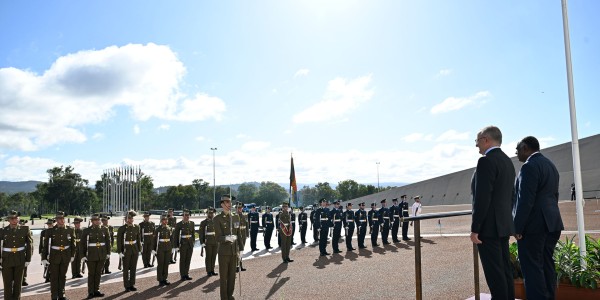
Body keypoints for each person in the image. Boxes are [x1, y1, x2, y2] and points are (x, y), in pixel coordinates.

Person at [513, 136, 564, 300]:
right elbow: (554, 196)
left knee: (532, 268)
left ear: (526, 147)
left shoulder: (529, 167)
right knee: (547, 264)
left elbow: (526, 200)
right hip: (552, 223)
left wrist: (517, 227)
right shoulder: (551, 165)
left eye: (518, 148)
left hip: (534, 227)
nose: (516, 152)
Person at [470, 125, 516, 300]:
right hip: (503, 225)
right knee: (504, 271)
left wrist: (475, 229)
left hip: (488, 229)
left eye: (477, 141)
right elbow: (510, 196)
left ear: (486, 139)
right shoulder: (507, 160)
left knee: (495, 275)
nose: (476, 145)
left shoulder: (486, 161)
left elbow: (482, 198)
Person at [213, 194, 243, 299]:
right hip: (224, 252)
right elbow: (217, 238)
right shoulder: (217, 219)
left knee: (232, 276)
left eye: (230, 202)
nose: (229, 204)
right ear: (222, 204)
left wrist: (241, 249)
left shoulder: (235, 216)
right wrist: (226, 238)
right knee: (224, 277)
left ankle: (230, 295)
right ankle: (224, 297)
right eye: (227, 202)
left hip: (234, 251)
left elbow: (239, 234)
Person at [42, 211, 76, 300]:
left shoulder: (70, 229)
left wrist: (72, 255)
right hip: (54, 256)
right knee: (54, 277)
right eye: (58, 219)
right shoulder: (50, 231)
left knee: (62, 276)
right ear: (56, 220)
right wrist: (44, 258)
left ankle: (62, 295)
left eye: (62, 218)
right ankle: (54, 296)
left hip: (65, 255)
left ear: (64, 219)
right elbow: (45, 246)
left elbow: (73, 244)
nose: (61, 220)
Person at [1, 210, 33, 300]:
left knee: (18, 283)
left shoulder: (25, 229)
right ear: (8, 220)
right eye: (12, 218)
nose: (14, 220)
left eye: (15, 218)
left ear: (18, 219)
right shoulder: (3, 231)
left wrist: (28, 259)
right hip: (6, 259)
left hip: (20, 258)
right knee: (7, 283)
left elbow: (29, 244)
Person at [81, 213, 111, 298]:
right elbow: (82, 244)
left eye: (98, 220)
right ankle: (91, 291)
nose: (97, 221)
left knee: (98, 273)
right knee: (92, 273)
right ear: (92, 221)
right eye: (95, 220)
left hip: (101, 254)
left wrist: (108, 253)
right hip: (91, 255)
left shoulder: (105, 229)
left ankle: (96, 290)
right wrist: (82, 255)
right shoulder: (86, 231)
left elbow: (108, 242)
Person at [117, 210, 142, 292]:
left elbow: (138, 239)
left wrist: (139, 249)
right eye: (129, 218)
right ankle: (127, 285)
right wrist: (120, 252)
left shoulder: (136, 227)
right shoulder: (122, 229)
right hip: (126, 250)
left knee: (133, 268)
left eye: (132, 218)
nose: (130, 220)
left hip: (134, 249)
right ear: (125, 219)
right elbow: (119, 241)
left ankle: (132, 284)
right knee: (126, 269)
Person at [173, 209, 195, 280]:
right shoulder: (179, 224)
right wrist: (176, 246)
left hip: (190, 244)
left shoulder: (191, 223)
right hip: (183, 244)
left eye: (188, 215)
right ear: (183, 216)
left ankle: (186, 274)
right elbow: (176, 236)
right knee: (183, 260)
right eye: (185, 215)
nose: (187, 217)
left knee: (188, 259)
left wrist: (193, 242)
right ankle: (182, 275)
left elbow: (193, 234)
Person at [153, 214, 173, 286]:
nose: (165, 221)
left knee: (166, 264)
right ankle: (160, 279)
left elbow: (171, 239)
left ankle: (165, 278)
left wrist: (172, 247)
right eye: (164, 220)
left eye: (166, 220)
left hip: (168, 247)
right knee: (161, 264)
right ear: (161, 221)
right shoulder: (158, 229)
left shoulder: (169, 228)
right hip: (160, 248)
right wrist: (153, 249)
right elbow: (155, 240)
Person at [199, 207, 218, 276]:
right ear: (207, 213)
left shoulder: (216, 221)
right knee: (209, 256)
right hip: (208, 241)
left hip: (215, 241)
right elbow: (201, 233)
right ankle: (208, 271)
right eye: (209, 213)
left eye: (212, 213)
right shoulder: (204, 222)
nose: (211, 214)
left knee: (214, 256)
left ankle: (212, 270)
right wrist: (202, 242)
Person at [40, 218, 55, 283]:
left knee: (53, 264)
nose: (49, 225)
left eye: (50, 224)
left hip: (53, 250)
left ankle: (51, 276)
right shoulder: (43, 232)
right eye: (48, 224)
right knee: (46, 264)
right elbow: (41, 242)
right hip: (46, 250)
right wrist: (40, 251)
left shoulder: (55, 230)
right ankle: (47, 277)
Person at [235, 201, 248, 271]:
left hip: (243, 235)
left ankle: (241, 265)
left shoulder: (245, 216)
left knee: (241, 251)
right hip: (237, 236)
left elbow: (247, 225)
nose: (239, 209)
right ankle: (236, 266)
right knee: (237, 251)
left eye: (240, 208)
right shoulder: (234, 216)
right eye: (238, 208)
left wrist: (247, 234)